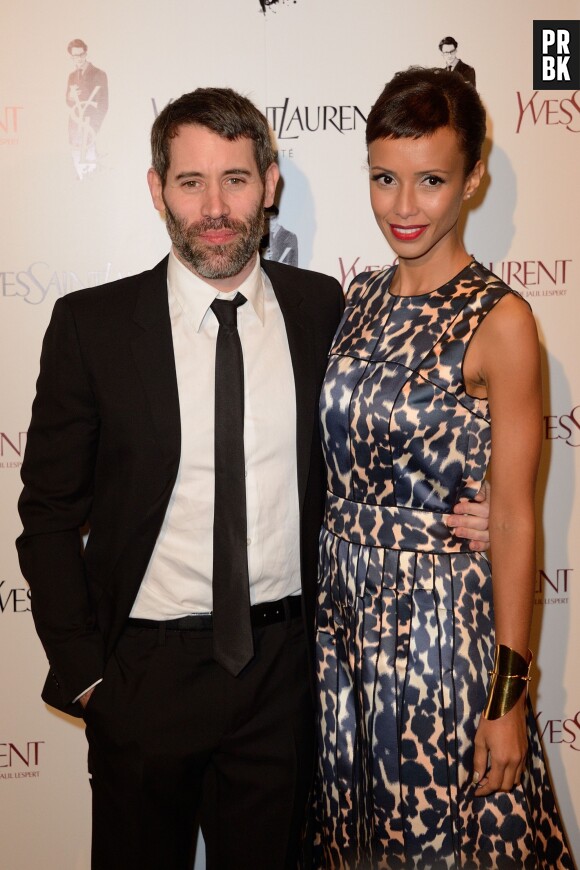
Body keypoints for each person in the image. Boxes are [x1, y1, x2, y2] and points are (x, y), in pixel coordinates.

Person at [17, 86, 489, 869]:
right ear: (155, 188)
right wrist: (89, 679)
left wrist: (477, 502)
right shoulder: (90, 326)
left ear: (269, 184)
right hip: (144, 678)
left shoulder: (324, 308)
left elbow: (401, 419)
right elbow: (48, 516)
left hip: (285, 678)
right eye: (190, 181)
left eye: (235, 179)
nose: (213, 206)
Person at [314, 67, 573, 868]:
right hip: (341, 628)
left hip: (437, 638)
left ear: (474, 178)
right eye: (384, 178)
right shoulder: (355, 299)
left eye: (430, 181)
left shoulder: (502, 320)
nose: (402, 206)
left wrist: (508, 702)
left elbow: (518, 519)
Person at [66, 38, 109, 178]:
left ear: (85, 53)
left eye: (80, 55)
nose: (78, 59)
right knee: (77, 165)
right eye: (74, 56)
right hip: (75, 128)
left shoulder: (99, 74)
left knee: (91, 170)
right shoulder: (72, 76)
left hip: (91, 128)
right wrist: (71, 97)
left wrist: (93, 127)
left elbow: (103, 104)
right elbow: (68, 100)